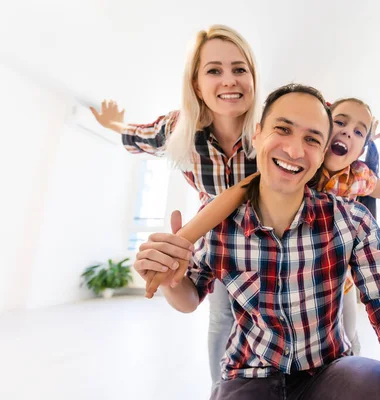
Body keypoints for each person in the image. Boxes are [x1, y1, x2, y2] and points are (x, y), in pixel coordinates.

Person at [135, 83, 380, 399]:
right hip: (248, 375)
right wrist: (174, 279)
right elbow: (188, 299)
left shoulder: (353, 220)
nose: (294, 151)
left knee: (373, 383)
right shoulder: (217, 222)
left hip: (330, 370)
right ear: (257, 134)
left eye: (311, 139)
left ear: (322, 152)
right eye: (283, 129)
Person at [90, 24, 260, 386]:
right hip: (222, 250)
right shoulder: (178, 129)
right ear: (197, 84)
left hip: (275, 245)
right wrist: (110, 122)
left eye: (239, 69)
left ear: (253, 76)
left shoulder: (270, 128)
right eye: (214, 70)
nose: (229, 80)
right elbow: (135, 134)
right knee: (223, 322)